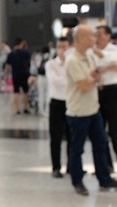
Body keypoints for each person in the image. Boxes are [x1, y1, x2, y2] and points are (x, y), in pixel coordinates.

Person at [65, 24, 117, 196]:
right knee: (77, 148)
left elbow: (96, 78)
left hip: (93, 109)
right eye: (92, 36)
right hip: (78, 112)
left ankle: (104, 178)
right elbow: (84, 85)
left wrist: (95, 77)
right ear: (81, 39)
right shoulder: (73, 61)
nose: (95, 39)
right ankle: (77, 180)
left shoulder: (90, 57)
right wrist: (95, 77)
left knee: (100, 143)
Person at [92, 24, 117, 175]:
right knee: (100, 130)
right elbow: (93, 68)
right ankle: (106, 165)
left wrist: (102, 68)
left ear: (108, 36)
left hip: (113, 90)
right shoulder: (91, 51)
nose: (97, 38)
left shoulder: (116, 49)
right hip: (97, 90)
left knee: (114, 129)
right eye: (96, 35)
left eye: (100, 34)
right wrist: (105, 67)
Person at [46, 37, 71, 178]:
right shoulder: (51, 64)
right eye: (59, 47)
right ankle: (56, 167)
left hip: (71, 103)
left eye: (65, 47)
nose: (62, 50)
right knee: (55, 137)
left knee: (72, 137)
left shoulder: (73, 63)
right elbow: (57, 81)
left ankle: (71, 166)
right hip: (56, 103)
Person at [5, 38, 32, 114]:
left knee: (16, 92)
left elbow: (7, 66)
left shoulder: (11, 54)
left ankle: (17, 109)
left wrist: (6, 75)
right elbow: (30, 62)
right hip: (25, 74)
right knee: (26, 91)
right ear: (21, 43)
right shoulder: (26, 52)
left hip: (15, 74)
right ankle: (25, 108)